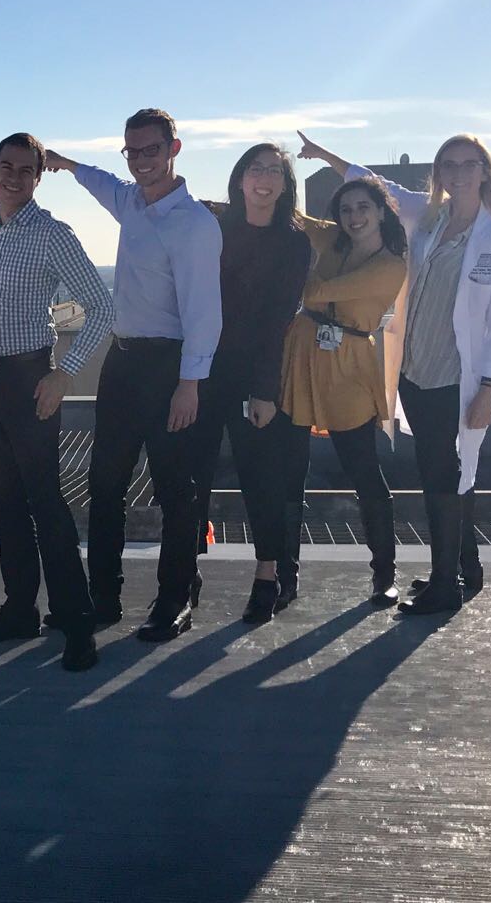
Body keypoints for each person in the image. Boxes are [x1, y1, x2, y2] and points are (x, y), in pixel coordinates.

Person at [298, 132, 491, 616]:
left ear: (485, 171)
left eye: (469, 164)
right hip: (414, 371)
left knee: (444, 474)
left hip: (456, 375)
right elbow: (377, 187)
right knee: (443, 470)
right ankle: (467, 568)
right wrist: (325, 156)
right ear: (439, 174)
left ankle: (446, 586)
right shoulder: (429, 218)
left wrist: (489, 389)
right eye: (449, 165)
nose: (459, 173)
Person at [44, 108, 222, 642]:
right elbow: (105, 184)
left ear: (174, 149)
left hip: (170, 367)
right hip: (123, 363)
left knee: (175, 490)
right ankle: (103, 598)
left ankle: (174, 598)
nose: (142, 161)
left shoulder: (193, 224)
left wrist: (190, 383)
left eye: (152, 150)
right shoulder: (133, 203)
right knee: (105, 485)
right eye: (133, 151)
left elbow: (203, 312)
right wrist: (66, 164)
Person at [0, 132, 113, 671]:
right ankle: (19, 610)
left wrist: (63, 374)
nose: (13, 177)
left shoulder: (51, 234)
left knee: (45, 502)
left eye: (25, 170)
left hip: (29, 381)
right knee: (4, 502)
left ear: (39, 178)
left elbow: (99, 307)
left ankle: (76, 620)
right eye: (5, 166)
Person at [188, 144, 311, 623]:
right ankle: (186, 569)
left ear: (284, 185)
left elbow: (278, 321)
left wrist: (265, 391)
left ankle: (267, 574)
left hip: (254, 376)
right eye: (255, 169)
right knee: (191, 473)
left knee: (261, 478)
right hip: (202, 369)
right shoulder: (215, 230)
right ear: (240, 179)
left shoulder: (293, 243)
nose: (264, 178)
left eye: (274, 171)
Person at [276, 175, 408, 610]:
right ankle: (284, 574)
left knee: (363, 472)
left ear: (382, 210)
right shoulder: (332, 236)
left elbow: (318, 291)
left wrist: (294, 266)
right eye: (346, 209)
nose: (354, 217)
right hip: (302, 353)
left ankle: (384, 575)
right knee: (289, 472)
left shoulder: (391, 264)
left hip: (349, 362)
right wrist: (228, 205)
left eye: (363, 208)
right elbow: (291, 216)